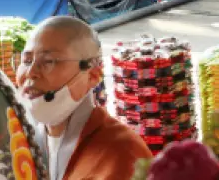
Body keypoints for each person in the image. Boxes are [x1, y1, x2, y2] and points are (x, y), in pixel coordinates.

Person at [17, 15, 151, 180]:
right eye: (27, 60)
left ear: (92, 75)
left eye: (49, 61)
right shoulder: (18, 142)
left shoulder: (124, 153)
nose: (31, 72)